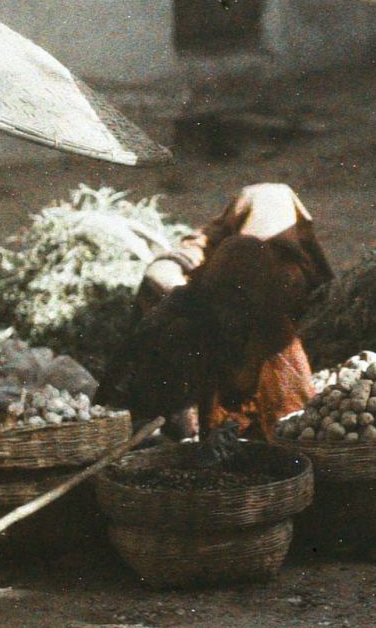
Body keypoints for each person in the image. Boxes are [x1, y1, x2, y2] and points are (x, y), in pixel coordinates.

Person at [112, 183, 334, 441]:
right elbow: (165, 272)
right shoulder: (222, 254)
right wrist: (187, 296)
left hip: (256, 356)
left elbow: (292, 415)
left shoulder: (292, 274)